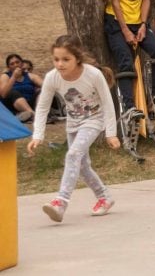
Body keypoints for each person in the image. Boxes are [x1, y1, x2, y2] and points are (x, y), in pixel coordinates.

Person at [27, 35, 120, 223]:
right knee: (82, 165)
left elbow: (108, 103)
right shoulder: (52, 77)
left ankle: (60, 202)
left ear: (77, 58)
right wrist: (38, 135)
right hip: (73, 123)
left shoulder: (93, 74)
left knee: (72, 155)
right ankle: (105, 197)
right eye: (56, 59)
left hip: (94, 120)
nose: (60, 64)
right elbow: (43, 107)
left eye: (65, 59)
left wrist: (111, 133)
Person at [0, 53, 39, 121]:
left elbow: (46, 85)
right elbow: (3, 94)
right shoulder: (5, 76)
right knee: (13, 92)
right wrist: (14, 77)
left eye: (17, 62)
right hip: (12, 105)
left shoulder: (30, 76)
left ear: (22, 64)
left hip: (30, 103)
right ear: (8, 67)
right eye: (12, 64)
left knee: (42, 91)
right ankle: (33, 115)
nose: (15, 65)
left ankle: (38, 113)